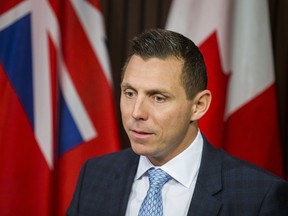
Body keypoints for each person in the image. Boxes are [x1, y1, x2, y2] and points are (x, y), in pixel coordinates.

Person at [67, 29, 288, 216]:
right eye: (130, 93)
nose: (136, 112)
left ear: (199, 105)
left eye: (158, 98)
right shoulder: (94, 174)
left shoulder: (258, 197)